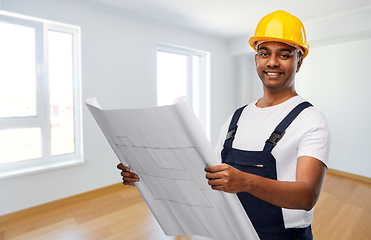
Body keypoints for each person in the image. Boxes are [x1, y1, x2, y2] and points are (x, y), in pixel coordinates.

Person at [118, 10, 331, 240]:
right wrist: (146, 176)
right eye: (264, 52)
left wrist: (245, 182)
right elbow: (211, 179)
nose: (272, 62)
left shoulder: (310, 119)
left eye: (284, 54)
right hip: (231, 232)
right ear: (256, 59)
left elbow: (307, 196)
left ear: (299, 61)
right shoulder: (236, 119)